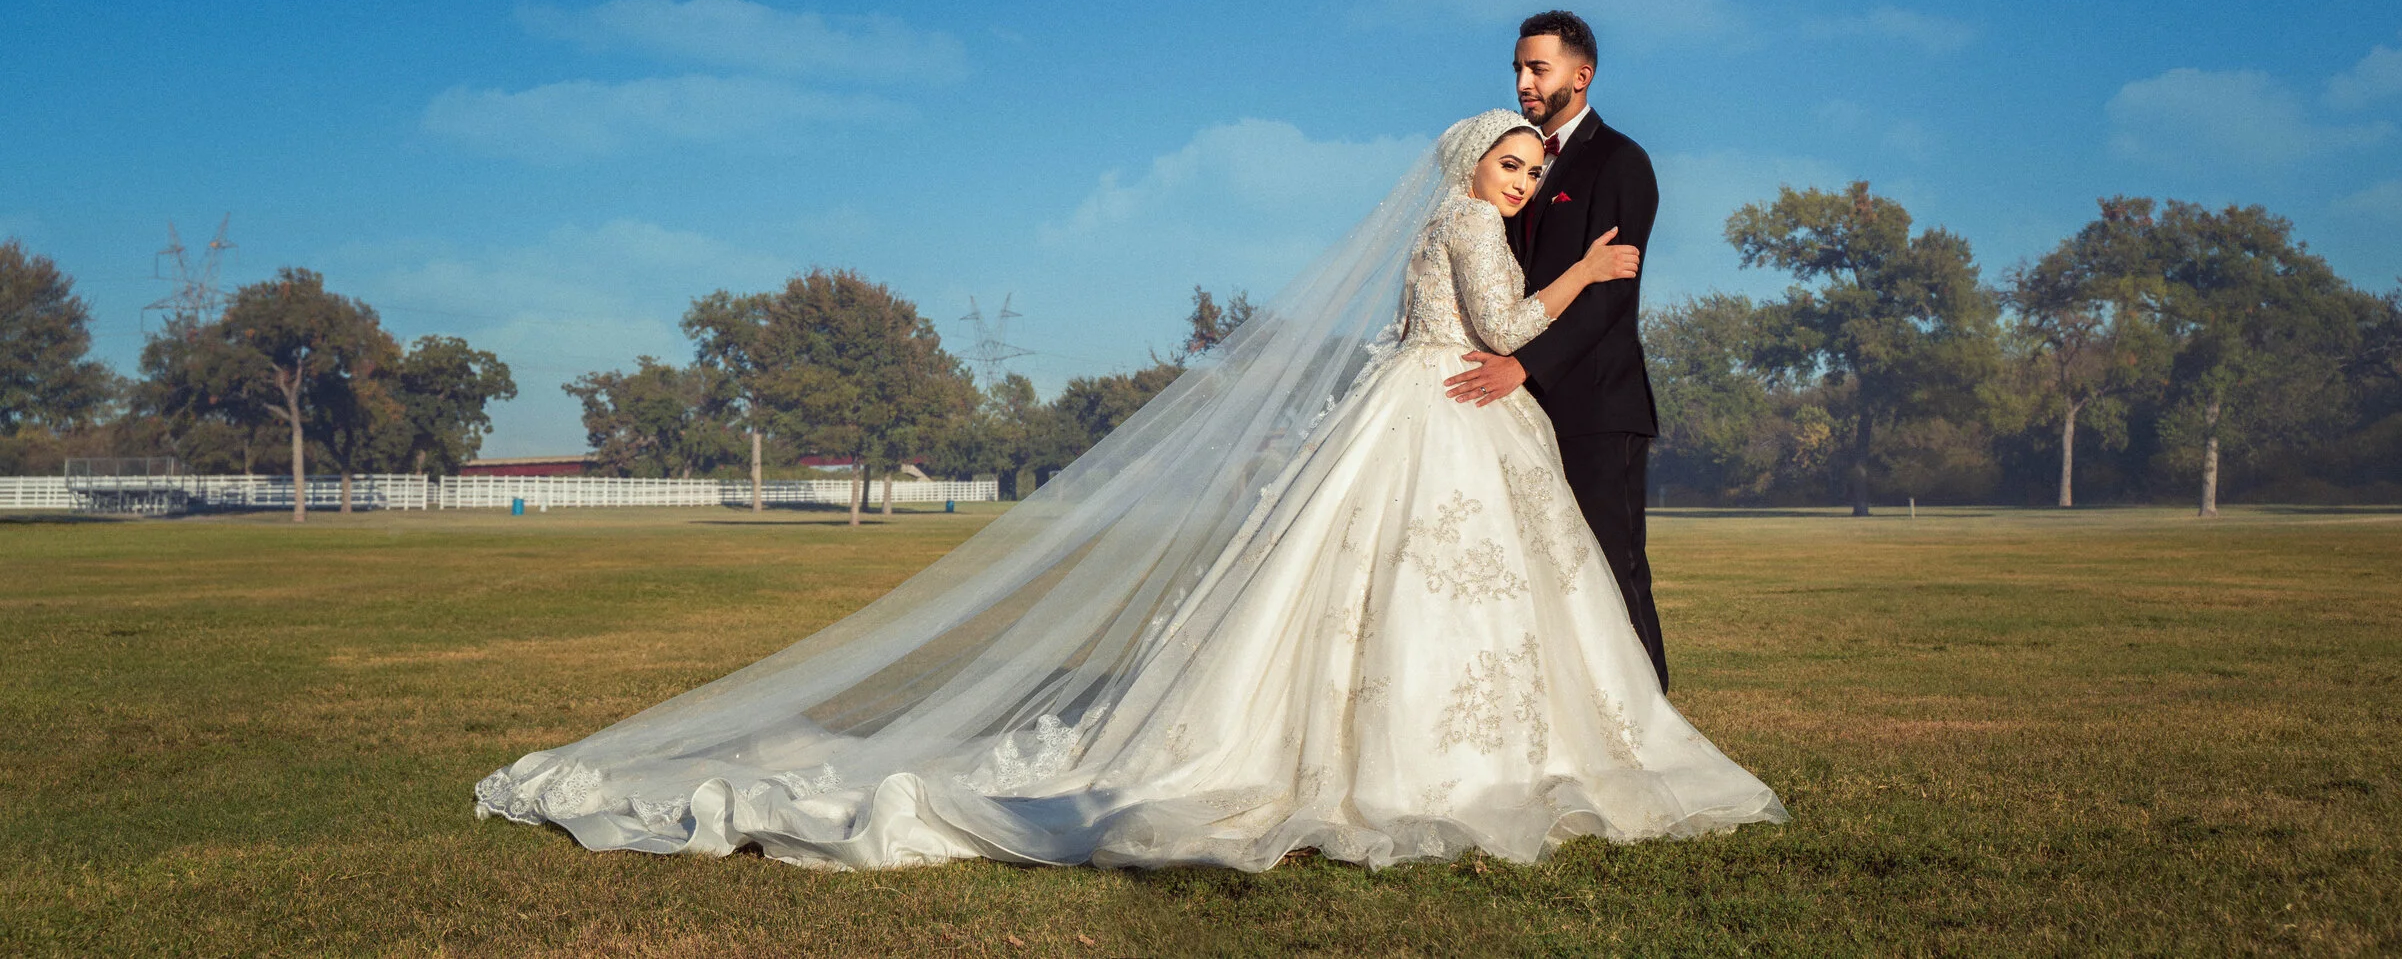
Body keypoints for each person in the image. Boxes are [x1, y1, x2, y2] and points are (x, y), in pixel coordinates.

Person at [477, 112, 1784, 871]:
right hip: (1450, 407)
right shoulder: (1472, 227)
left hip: (1423, 406)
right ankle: (1441, 757)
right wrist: (1594, 274)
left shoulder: (1435, 226)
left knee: (1391, 592)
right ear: (1468, 170)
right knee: (1437, 590)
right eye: (1507, 163)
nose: (1521, 179)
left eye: (1526, 167)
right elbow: (1498, 324)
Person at [1444, 11, 1670, 692]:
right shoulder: (1514, 164)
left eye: (1537, 68)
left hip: (1597, 404)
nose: (1523, 82)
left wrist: (1525, 365)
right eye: (1518, 67)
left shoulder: (1621, 161)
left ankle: (1651, 723)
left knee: (1612, 566)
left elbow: (1609, 298)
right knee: (1539, 573)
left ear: (1582, 74)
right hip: (1513, 409)